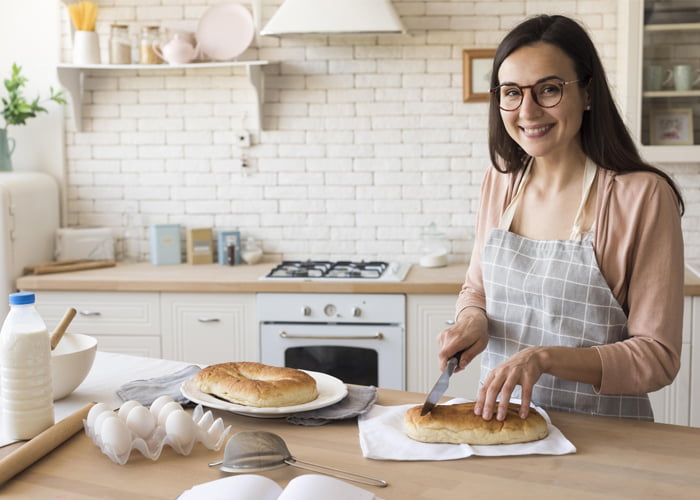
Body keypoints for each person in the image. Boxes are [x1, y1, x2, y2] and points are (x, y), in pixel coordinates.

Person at [438, 14, 684, 422]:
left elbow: (657, 357)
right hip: (503, 429)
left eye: (549, 89)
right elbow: (476, 289)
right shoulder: (499, 184)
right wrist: (471, 321)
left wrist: (544, 359)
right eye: (512, 92)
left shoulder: (641, 196)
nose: (528, 110)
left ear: (588, 93)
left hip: (608, 441)